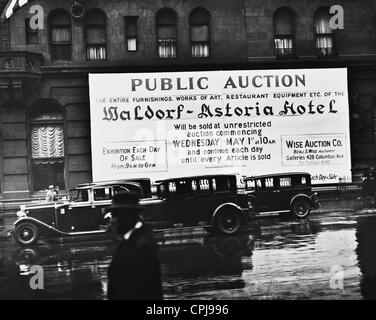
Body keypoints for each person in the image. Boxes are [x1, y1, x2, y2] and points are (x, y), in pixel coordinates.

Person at [107, 191, 163, 300]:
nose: (112, 221)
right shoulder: (129, 240)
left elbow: (136, 289)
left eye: (115, 215)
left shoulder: (143, 246)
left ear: (127, 216)